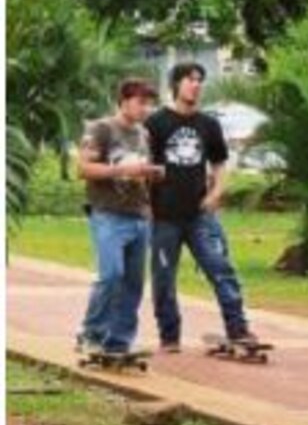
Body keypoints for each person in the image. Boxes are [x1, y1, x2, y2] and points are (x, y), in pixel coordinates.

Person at [146, 61, 255, 351]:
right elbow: (144, 166)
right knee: (163, 278)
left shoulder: (208, 124)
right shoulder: (156, 123)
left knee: (220, 268)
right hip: (163, 216)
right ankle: (169, 335)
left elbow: (219, 164)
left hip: (199, 215)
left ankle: (238, 328)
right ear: (176, 84)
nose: (195, 85)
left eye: (199, 80)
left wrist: (216, 192)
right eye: (190, 80)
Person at [76, 78, 164, 354]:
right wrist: (122, 171)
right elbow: (83, 169)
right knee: (111, 275)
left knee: (134, 283)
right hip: (108, 214)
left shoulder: (143, 134)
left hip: (139, 216)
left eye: (149, 104)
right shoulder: (101, 129)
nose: (145, 108)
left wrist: (152, 174)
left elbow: (141, 172)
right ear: (123, 101)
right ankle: (91, 334)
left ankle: (120, 340)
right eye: (141, 102)